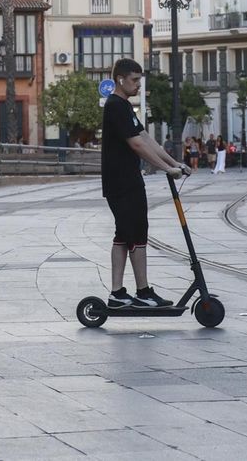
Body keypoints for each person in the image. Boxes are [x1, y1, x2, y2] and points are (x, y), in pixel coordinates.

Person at [101, 58, 190, 309]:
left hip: (125, 180)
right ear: (121, 79)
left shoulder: (124, 106)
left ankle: (117, 293)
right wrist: (166, 169)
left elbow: (145, 138)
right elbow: (136, 145)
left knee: (124, 234)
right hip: (122, 182)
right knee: (137, 235)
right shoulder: (116, 106)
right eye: (135, 80)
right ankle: (143, 292)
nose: (139, 85)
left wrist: (175, 163)